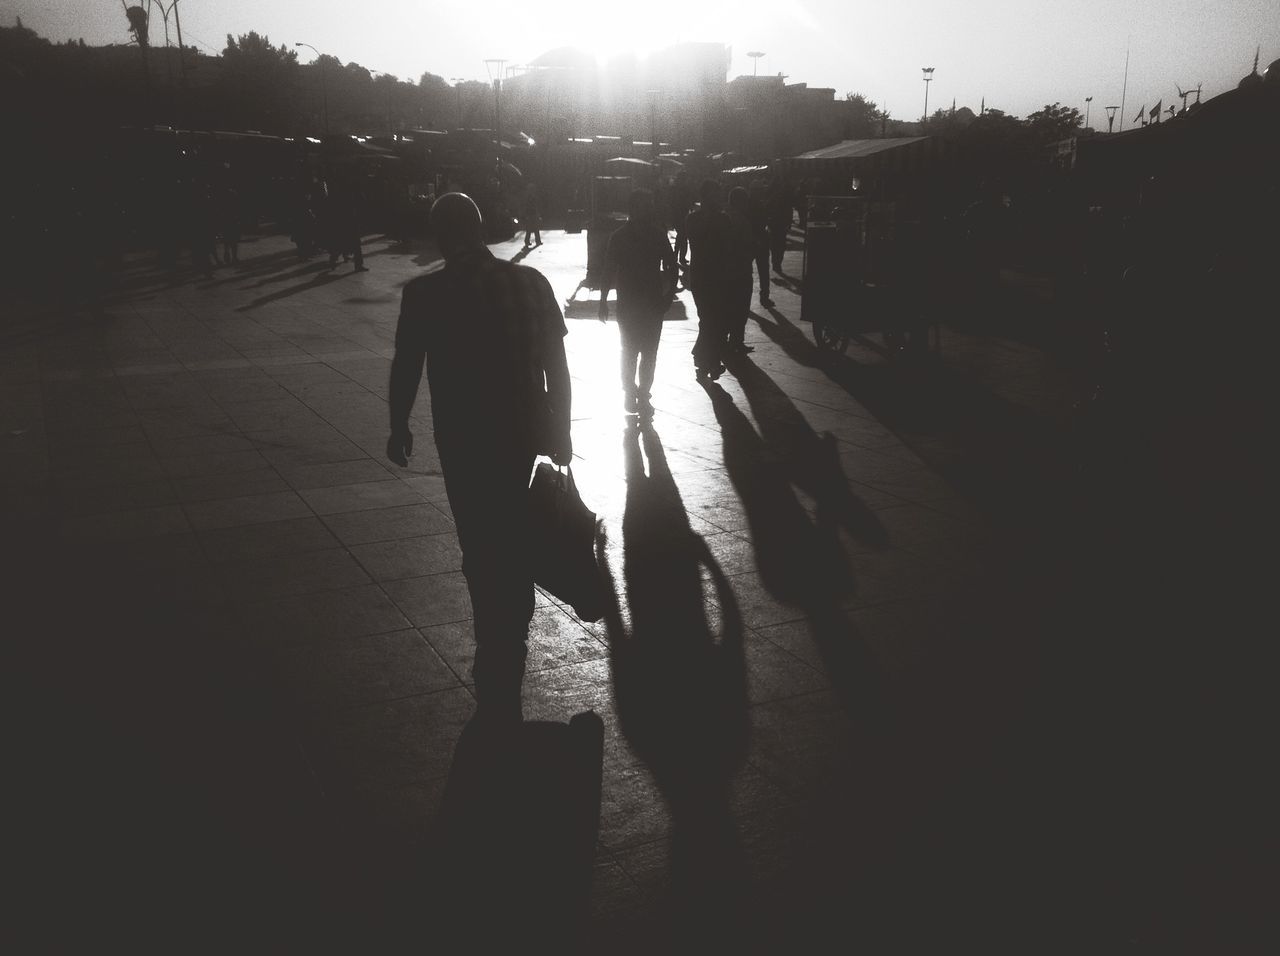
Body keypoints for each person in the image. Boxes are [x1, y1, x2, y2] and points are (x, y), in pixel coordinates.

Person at [386, 192, 573, 726]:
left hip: (465, 439)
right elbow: (557, 368)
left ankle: (496, 636)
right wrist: (560, 431)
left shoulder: (425, 293)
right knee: (518, 529)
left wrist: (399, 425)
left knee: (479, 538)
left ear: (440, 236)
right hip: (525, 434)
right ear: (483, 227)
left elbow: (407, 366)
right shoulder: (531, 283)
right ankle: (511, 632)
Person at [599, 188, 678, 416]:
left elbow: (672, 266)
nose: (650, 208)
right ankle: (632, 392)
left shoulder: (651, 234)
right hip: (635, 304)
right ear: (634, 208)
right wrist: (603, 301)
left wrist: (668, 294)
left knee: (646, 353)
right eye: (646, 204)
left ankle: (641, 393)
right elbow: (608, 270)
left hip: (648, 303)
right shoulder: (623, 237)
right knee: (632, 351)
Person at [683, 178, 733, 380]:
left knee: (715, 320)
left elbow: (729, 246)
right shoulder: (694, 219)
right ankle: (708, 361)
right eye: (715, 194)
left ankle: (704, 358)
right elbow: (694, 237)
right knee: (709, 319)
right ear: (705, 197)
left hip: (719, 275)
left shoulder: (723, 219)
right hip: (702, 276)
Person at [724, 186, 758, 355]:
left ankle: (730, 340)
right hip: (741, 270)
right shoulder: (742, 221)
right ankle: (736, 341)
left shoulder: (724, 218)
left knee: (729, 307)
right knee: (741, 307)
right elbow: (748, 245)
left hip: (727, 271)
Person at [748, 180, 773, 307]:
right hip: (759, 240)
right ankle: (764, 296)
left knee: (749, 270)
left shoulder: (747, 205)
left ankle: (758, 296)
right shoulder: (760, 205)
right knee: (763, 270)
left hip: (751, 241)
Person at [766, 175, 794, 274]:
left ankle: (775, 262)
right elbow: (789, 208)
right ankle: (777, 262)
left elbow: (767, 208)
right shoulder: (784, 195)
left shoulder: (772, 195)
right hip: (780, 222)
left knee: (775, 243)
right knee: (780, 243)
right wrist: (789, 221)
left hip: (775, 222)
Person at [521, 184, 543, 248]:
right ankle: (536, 241)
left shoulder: (530, 197)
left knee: (530, 229)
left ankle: (528, 241)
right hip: (531, 214)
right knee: (534, 228)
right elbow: (531, 207)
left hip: (531, 214)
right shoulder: (530, 197)